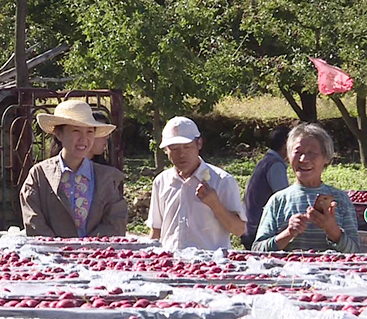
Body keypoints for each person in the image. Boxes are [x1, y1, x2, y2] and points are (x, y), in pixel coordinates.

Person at [20, 100, 128, 237]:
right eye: (76, 131)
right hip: (50, 256)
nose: (84, 139)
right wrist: (61, 250)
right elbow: (34, 221)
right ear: (59, 134)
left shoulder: (107, 178)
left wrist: (89, 248)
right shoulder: (39, 175)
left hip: (96, 256)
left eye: (89, 132)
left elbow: (116, 222)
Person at [252, 123, 359, 252]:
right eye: (298, 152)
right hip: (287, 271)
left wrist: (332, 230)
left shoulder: (340, 200)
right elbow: (257, 251)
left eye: (312, 153)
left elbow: (355, 252)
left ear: (326, 158)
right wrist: (288, 233)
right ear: (288, 156)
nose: (303, 159)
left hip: (330, 271)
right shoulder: (278, 201)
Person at [146, 116, 247, 250]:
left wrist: (215, 205)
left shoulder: (222, 181)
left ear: (199, 144)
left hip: (210, 266)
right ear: (166, 151)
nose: (181, 154)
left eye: (187, 147)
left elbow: (240, 230)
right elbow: (156, 231)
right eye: (174, 149)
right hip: (171, 264)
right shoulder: (161, 182)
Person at [241, 125, 291, 249]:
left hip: (251, 227)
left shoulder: (266, 161)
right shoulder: (275, 165)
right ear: (286, 145)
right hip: (259, 232)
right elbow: (285, 200)